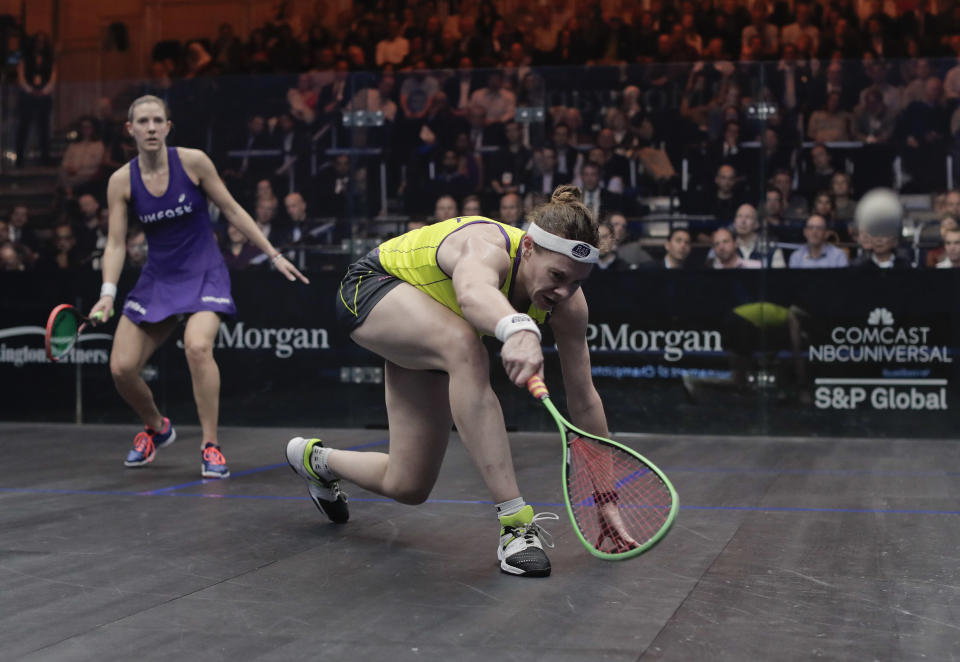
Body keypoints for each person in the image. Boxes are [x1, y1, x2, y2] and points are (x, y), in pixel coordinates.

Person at [287, 185, 624, 577]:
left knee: (408, 484)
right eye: (557, 276)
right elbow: (472, 293)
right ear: (529, 248)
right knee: (465, 346)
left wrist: (606, 497)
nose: (564, 291)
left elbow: (584, 400)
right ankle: (515, 527)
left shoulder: (567, 304)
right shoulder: (485, 247)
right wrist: (519, 329)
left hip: (428, 326)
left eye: (577, 283)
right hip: (370, 288)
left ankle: (316, 461)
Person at [87, 95, 308, 479]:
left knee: (198, 346)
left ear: (168, 127)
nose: (151, 127)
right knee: (122, 368)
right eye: (143, 121)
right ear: (130, 129)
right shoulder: (120, 181)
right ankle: (157, 428)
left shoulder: (193, 162)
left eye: (158, 120)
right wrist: (107, 293)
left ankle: (210, 446)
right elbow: (118, 243)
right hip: (158, 278)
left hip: (205, 270)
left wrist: (273, 254)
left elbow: (234, 210)